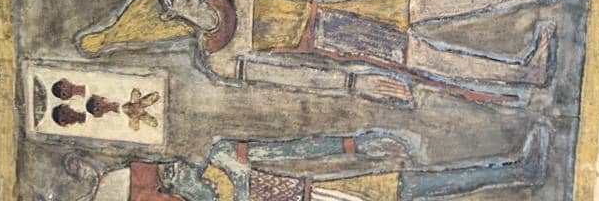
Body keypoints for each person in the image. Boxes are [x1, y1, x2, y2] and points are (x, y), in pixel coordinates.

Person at [78, 0, 560, 105]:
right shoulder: (220, 57)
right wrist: (353, 84)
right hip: (331, 36)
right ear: (172, 18)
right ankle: (523, 73)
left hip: (331, 10)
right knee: (425, 56)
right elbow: (292, 77)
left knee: (426, 4)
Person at [54, 126, 549, 201]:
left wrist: (354, 145)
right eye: (168, 175)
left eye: (167, 165)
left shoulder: (223, 156)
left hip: (330, 192)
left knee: (416, 186)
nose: (177, 167)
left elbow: (293, 151)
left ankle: (515, 171)